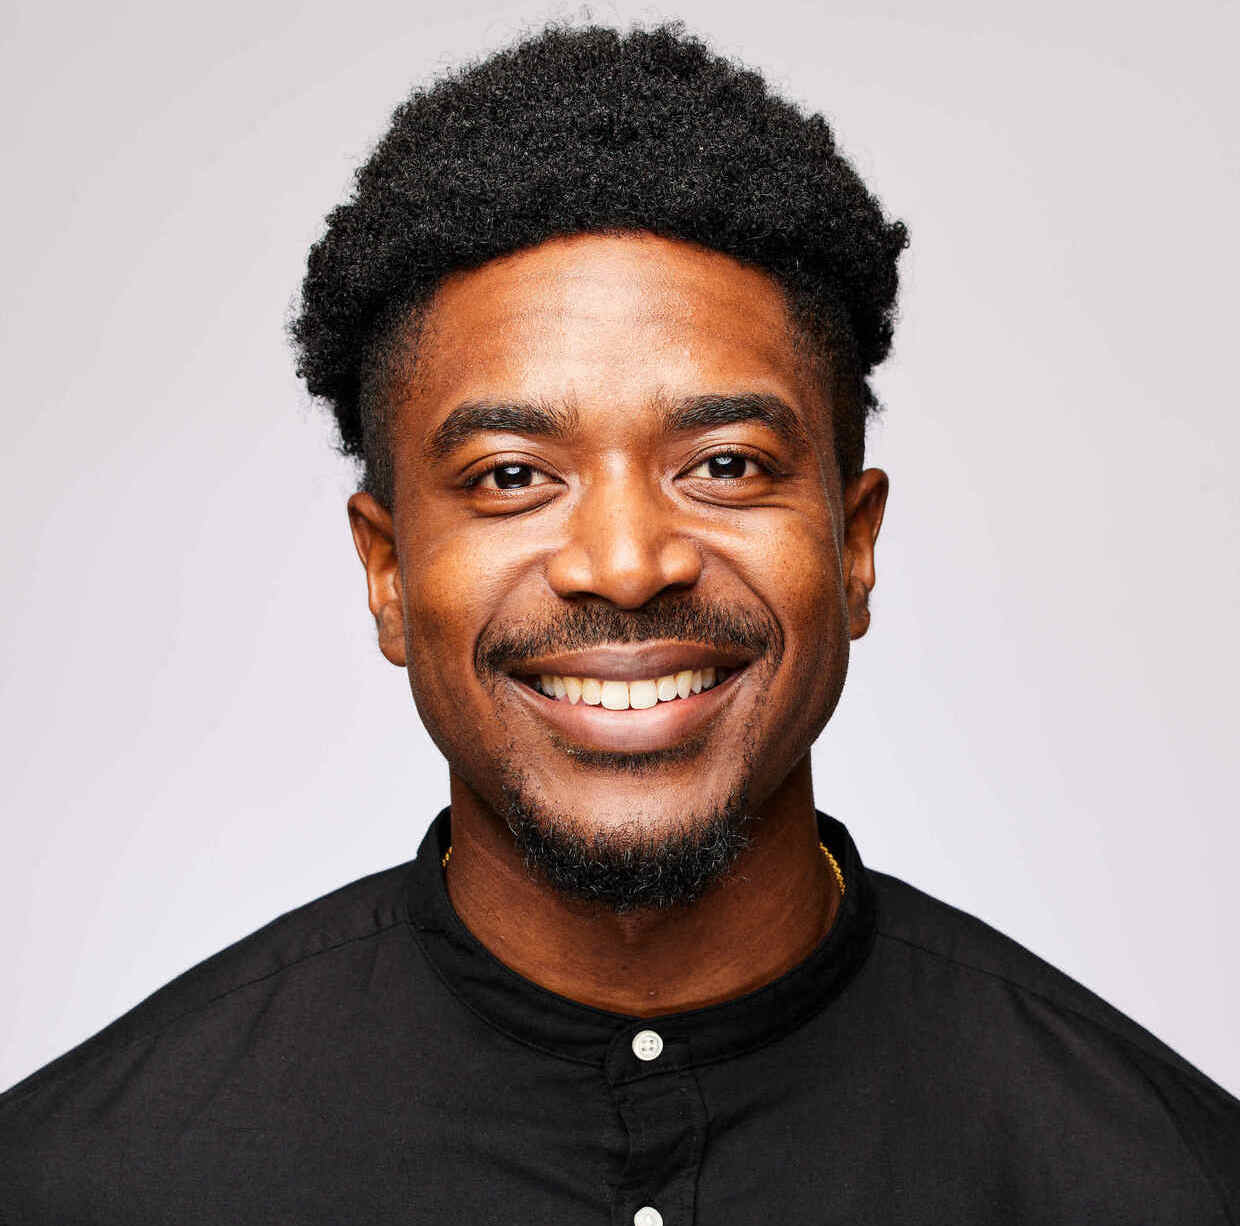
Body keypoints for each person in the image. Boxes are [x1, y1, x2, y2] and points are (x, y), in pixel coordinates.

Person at [1, 21, 1236, 1225]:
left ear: (853, 545)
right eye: (510, 476)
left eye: (725, 464)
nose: (628, 564)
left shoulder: (1164, 1179)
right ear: (386, 572)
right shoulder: (85, 1181)